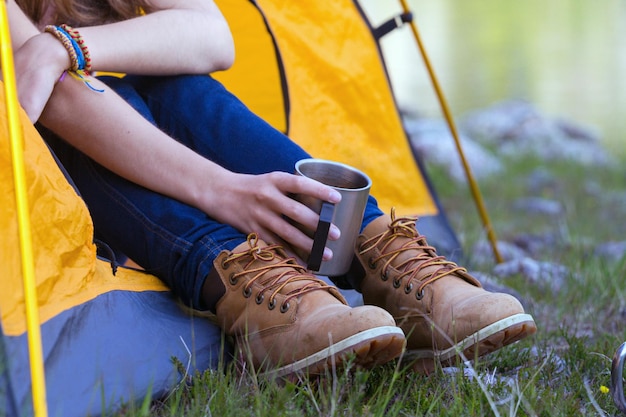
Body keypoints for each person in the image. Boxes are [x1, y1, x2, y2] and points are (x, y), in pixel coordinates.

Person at [7, 0, 536, 377]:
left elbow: (212, 35)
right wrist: (223, 190)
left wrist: (68, 43)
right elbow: (54, 98)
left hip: (106, 138)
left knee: (171, 82)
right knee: (71, 105)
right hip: (41, 176)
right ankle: (252, 291)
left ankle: (379, 252)